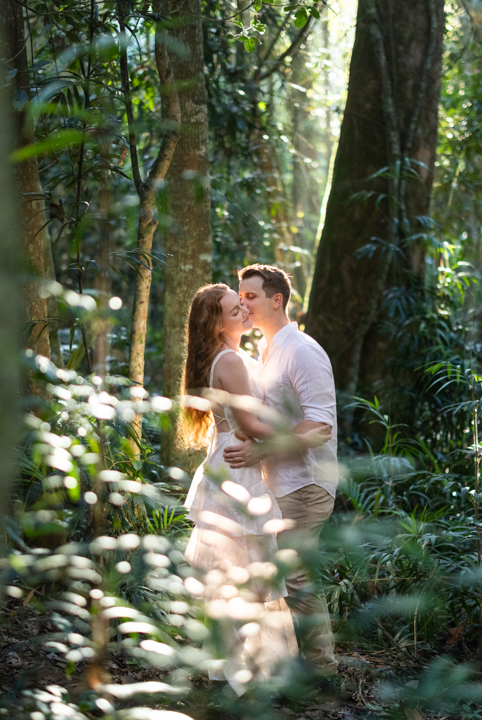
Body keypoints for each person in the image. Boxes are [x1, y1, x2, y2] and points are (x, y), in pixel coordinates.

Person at [178, 283, 332, 695]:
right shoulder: (229, 360)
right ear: (217, 323)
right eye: (235, 307)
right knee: (250, 572)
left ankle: (239, 669)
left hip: (235, 464)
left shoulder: (236, 357)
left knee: (241, 571)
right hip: (238, 468)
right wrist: (300, 434)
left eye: (246, 302)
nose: (244, 310)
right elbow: (251, 425)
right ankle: (252, 674)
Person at [224, 264, 340, 680]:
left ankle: (325, 677)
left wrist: (262, 451)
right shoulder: (268, 351)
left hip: (306, 484)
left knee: (295, 579)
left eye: (251, 296)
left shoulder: (302, 350)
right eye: (240, 297)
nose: (243, 303)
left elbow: (320, 426)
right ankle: (285, 671)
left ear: (277, 300)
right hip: (278, 485)